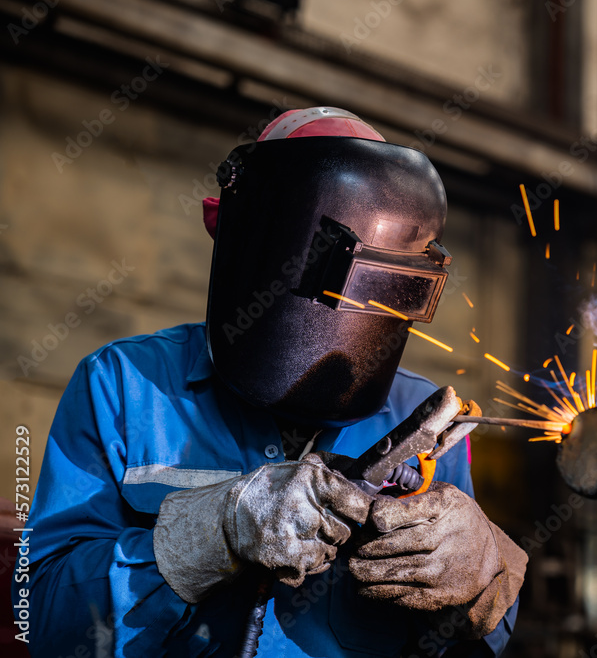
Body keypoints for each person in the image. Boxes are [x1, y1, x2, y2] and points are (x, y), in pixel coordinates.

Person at [19, 107, 527, 657]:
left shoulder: (424, 419)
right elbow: (47, 622)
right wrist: (212, 532)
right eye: (352, 281)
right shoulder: (124, 386)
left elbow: (465, 648)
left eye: (388, 287)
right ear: (265, 250)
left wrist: (483, 576)